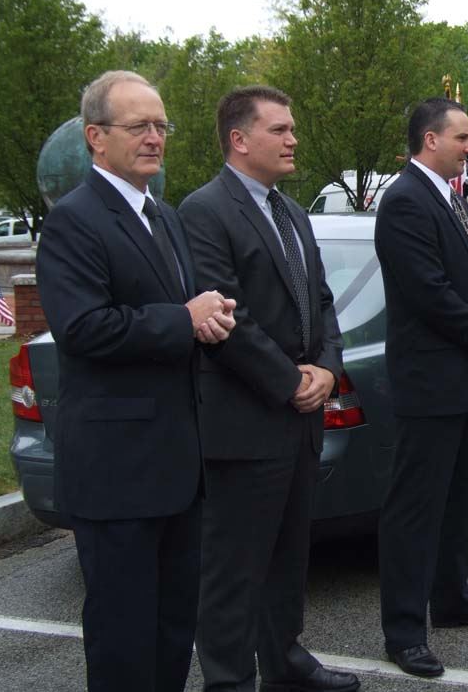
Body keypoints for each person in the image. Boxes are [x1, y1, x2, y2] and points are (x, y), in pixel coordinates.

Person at [36, 70, 237, 692]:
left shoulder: (164, 217)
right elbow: (83, 328)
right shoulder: (73, 221)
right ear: (95, 137)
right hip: (116, 473)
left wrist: (208, 319)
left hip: (176, 467)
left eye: (161, 125)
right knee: (124, 638)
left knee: (174, 630)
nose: (155, 138)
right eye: (138, 126)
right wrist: (183, 319)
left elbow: (176, 313)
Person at [179, 86, 358, 692]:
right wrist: (290, 383)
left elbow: (322, 300)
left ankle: (285, 662)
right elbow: (225, 317)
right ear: (239, 139)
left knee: (288, 557)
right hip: (245, 422)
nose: (292, 139)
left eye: (292, 128)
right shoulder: (205, 211)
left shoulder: (291, 211)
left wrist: (328, 368)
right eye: (279, 130)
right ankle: (230, 680)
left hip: (299, 419)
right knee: (234, 569)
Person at [374, 98, 468, 678]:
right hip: (431, 382)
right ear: (430, 140)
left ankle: (452, 600)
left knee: (459, 502)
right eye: (461, 138)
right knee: (416, 511)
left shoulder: (451, 197)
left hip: (466, 378)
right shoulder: (405, 200)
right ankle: (405, 632)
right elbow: (425, 288)